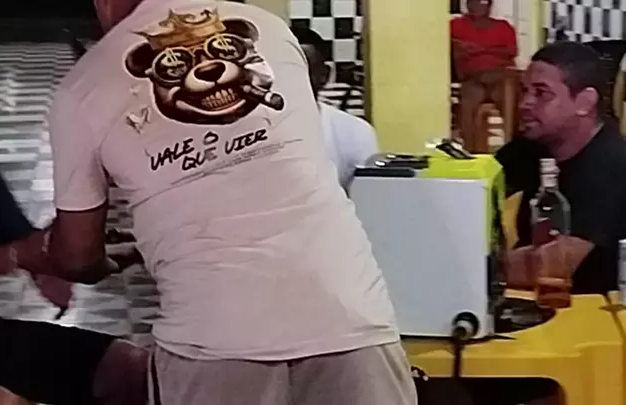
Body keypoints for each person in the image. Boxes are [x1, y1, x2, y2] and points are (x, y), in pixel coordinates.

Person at [46, 1, 416, 405]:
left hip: (215, 344)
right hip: (352, 320)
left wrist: (99, 260)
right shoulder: (272, 29)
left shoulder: (84, 86)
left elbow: (77, 255)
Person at [0, 147, 148, 405]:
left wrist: (60, 255)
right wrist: (11, 256)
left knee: (130, 370)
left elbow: (21, 239)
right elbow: (17, 251)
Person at [497, 41, 626, 297]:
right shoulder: (536, 145)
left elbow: (549, 266)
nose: (525, 103)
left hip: (600, 311)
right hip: (545, 302)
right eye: (525, 91)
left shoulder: (609, 165)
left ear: (584, 102)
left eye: (541, 93)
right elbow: (481, 186)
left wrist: (471, 266)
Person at [291, 26, 379, 189]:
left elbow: (369, 195)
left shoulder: (354, 132)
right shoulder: (246, 132)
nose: (291, 76)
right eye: (283, 67)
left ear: (324, 75)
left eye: (304, 68)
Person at [450, 0, 517, 150]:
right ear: (467, 4)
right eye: (474, 1)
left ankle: (514, 146)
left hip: (499, 77)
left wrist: (479, 49)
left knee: (511, 94)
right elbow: (452, 45)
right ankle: (471, 151)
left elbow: (511, 51)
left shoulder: (503, 26)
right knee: (469, 104)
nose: (479, 5)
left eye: (483, 1)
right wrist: (492, 50)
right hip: (472, 78)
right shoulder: (456, 25)